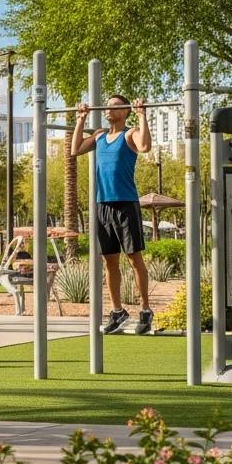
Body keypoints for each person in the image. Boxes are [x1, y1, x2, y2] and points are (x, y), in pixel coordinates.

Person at [71, 95, 154, 335]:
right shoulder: (99, 136)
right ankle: (117, 311)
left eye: (115, 106)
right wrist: (80, 119)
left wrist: (142, 114)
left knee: (134, 258)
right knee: (110, 261)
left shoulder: (130, 134)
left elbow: (145, 146)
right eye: (107, 105)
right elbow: (75, 150)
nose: (109, 109)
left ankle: (145, 310)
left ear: (126, 111)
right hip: (102, 205)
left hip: (126, 204)